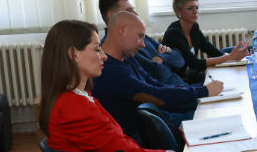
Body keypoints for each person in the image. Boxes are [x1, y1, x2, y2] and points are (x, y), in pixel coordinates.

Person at [38, 19, 178, 152]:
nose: (104, 56)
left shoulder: (80, 97)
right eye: (97, 49)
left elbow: (120, 145)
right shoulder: (73, 106)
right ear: (74, 54)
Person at [93, 10, 223, 137]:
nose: (143, 44)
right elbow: (155, 94)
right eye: (140, 36)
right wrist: (203, 91)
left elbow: (154, 83)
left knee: (214, 106)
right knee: (216, 116)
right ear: (122, 29)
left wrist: (200, 90)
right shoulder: (108, 70)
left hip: (162, 118)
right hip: (147, 134)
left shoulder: (126, 58)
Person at [161, 0, 249, 84]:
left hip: (191, 76)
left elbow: (211, 50)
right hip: (176, 81)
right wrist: (230, 57)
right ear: (178, 11)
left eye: (196, 7)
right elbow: (195, 64)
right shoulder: (174, 33)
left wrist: (235, 58)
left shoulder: (194, 27)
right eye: (190, 8)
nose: (195, 11)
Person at [98, 0, 188, 85]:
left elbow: (180, 59)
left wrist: (161, 58)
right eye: (129, 10)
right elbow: (157, 74)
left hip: (182, 87)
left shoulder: (143, 37)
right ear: (112, 16)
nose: (136, 13)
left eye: (134, 9)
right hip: (169, 90)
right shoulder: (120, 47)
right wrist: (167, 63)